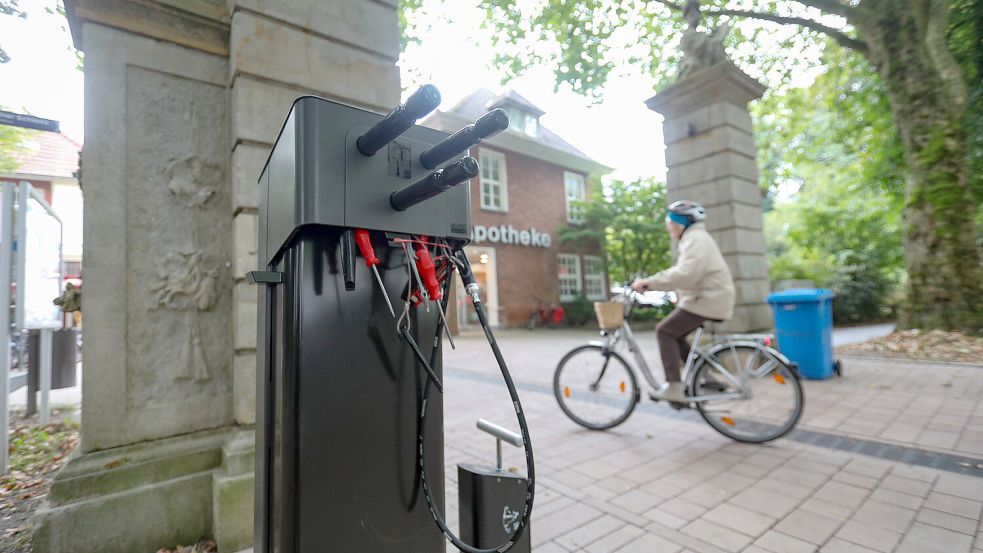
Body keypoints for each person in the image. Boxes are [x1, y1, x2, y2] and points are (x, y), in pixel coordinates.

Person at [631, 200, 735, 403]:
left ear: (681, 223)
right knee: (676, 336)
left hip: (708, 300)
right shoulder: (694, 238)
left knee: (665, 331)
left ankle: (674, 388)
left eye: (670, 222)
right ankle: (705, 377)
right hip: (707, 298)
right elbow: (691, 275)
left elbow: (686, 274)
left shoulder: (696, 239)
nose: (668, 226)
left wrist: (649, 283)